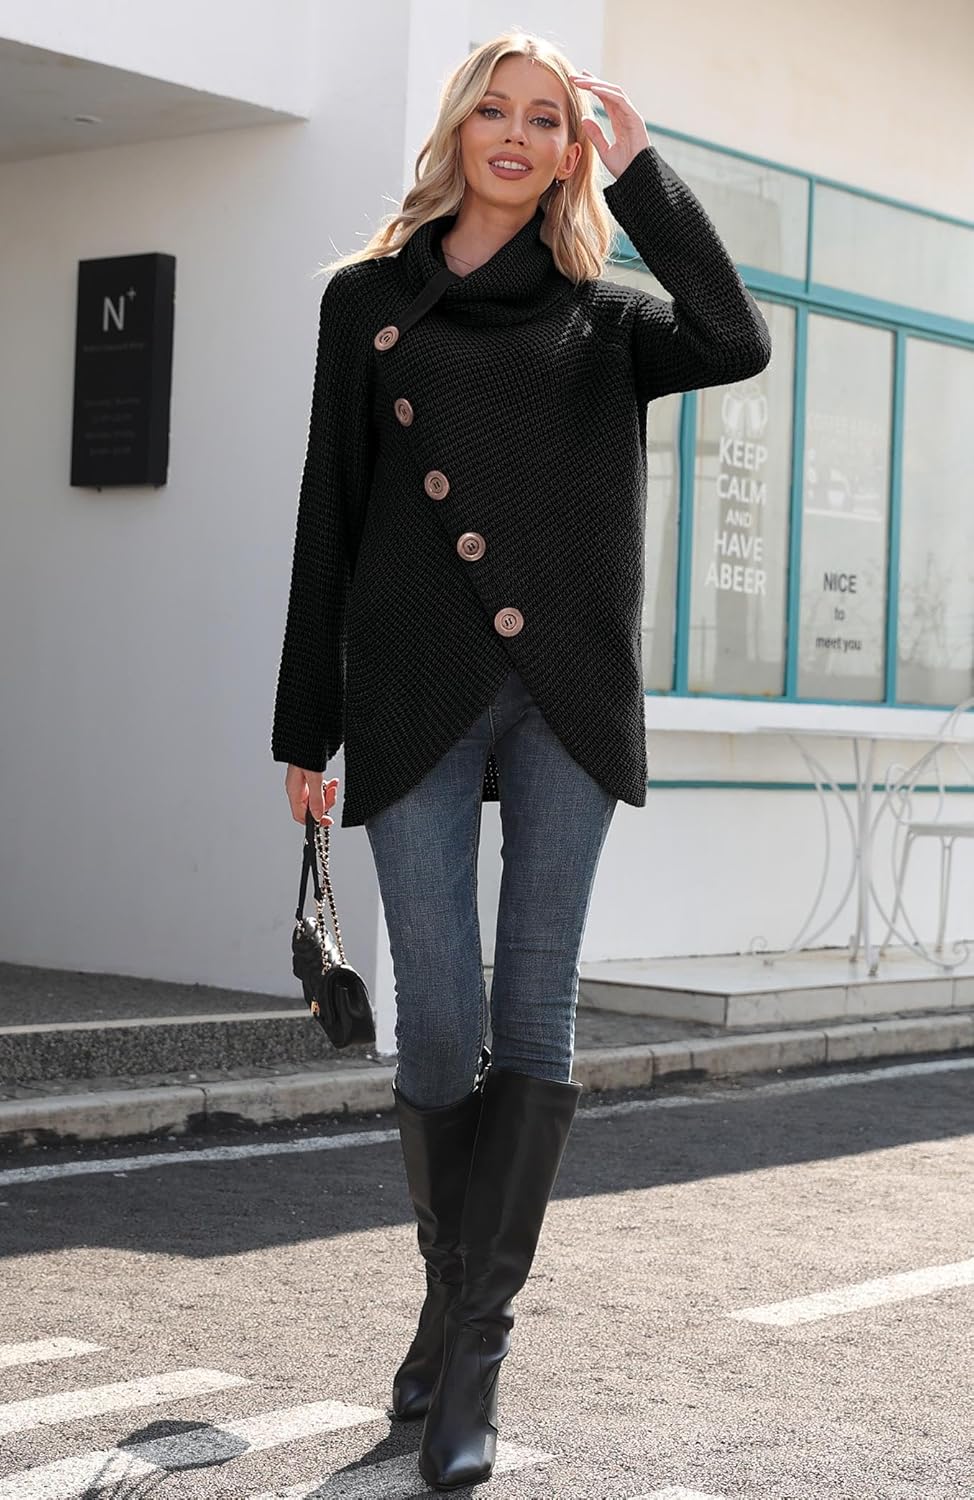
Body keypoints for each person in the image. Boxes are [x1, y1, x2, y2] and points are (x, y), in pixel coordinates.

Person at [271, 30, 771, 1492]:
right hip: (412, 687)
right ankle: (446, 1301)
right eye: (493, 108)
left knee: (533, 1010)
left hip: (565, 698)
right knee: (438, 1018)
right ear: (456, 129)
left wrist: (645, 172)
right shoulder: (369, 302)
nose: (515, 132)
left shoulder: (608, 321)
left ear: (568, 154)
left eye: (546, 119)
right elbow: (328, 512)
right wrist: (304, 728)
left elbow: (736, 335)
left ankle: (472, 1350)